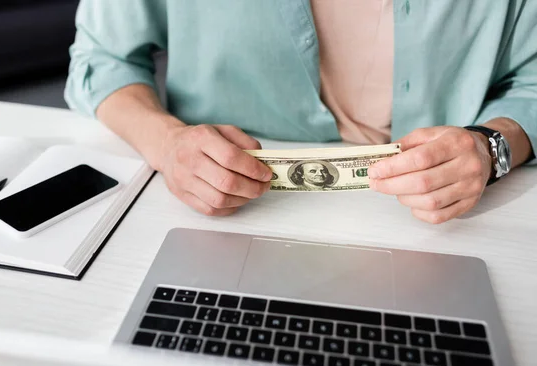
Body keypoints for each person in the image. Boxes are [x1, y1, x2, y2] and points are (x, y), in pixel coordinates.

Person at [65, 0, 536, 224]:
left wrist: (490, 145)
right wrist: (167, 144)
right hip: (216, 215)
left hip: (459, 224)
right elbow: (101, 57)